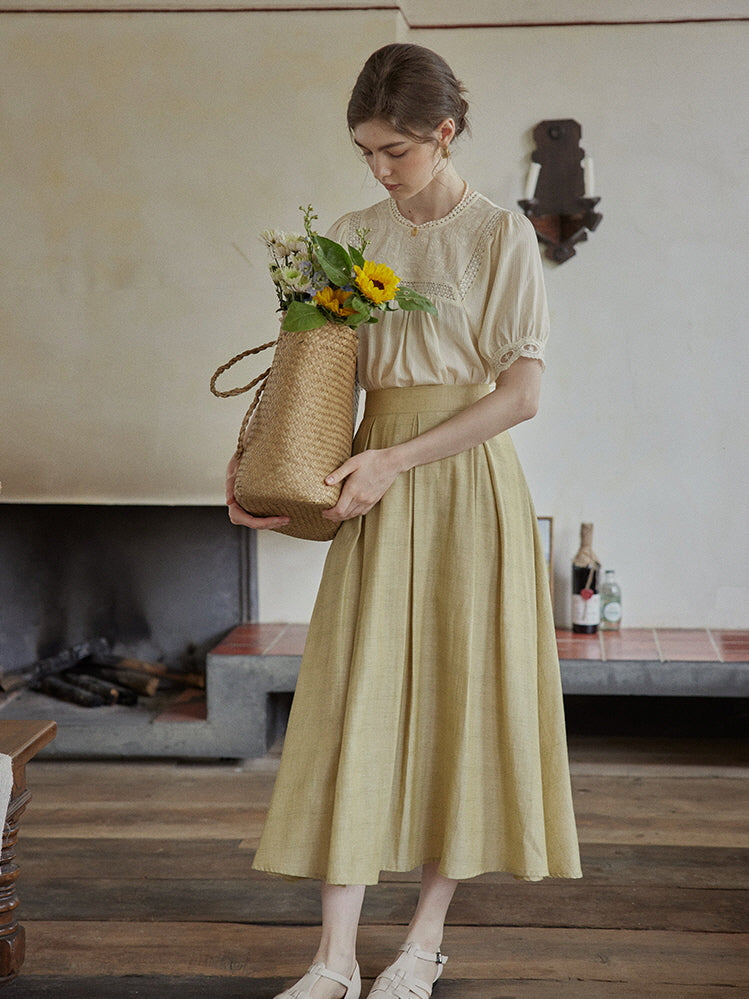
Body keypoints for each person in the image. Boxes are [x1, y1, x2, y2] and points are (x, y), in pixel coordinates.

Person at [226, 42, 581, 999]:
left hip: (463, 482)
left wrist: (394, 459)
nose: (379, 169)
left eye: (395, 150)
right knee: (354, 701)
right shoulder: (346, 235)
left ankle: (421, 940)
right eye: (365, 151)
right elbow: (314, 382)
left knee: (460, 703)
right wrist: (278, 478)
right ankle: (333, 957)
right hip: (370, 476)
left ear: (444, 133)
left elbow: (520, 395)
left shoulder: (500, 235)